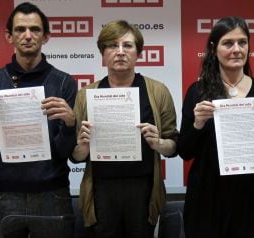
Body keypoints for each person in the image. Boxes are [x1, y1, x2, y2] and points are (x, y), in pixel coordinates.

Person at [0, 2, 77, 238]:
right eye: (20, 29)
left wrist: (70, 125)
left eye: (35, 30)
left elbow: (63, 153)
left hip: (53, 194)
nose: (28, 36)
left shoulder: (64, 83)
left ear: (45, 36)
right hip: (5, 195)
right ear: (9, 36)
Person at [71, 20, 178, 238]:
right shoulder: (86, 94)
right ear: (103, 52)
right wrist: (83, 146)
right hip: (101, 189)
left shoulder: (157, 91)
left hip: (143, 189)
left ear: (138, 52)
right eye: (112, 45)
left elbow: (174, 146)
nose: (120, 52)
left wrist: (158, 143)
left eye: (127, 46)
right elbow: (76, 156)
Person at [177, 16, 254, 237]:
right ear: (214, 48)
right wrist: (197, 124)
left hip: (250, 194)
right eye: (228, 43)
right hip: (207, 195)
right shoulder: (198, 91)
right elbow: (185, 151)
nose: (237, 49)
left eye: (242, 42)